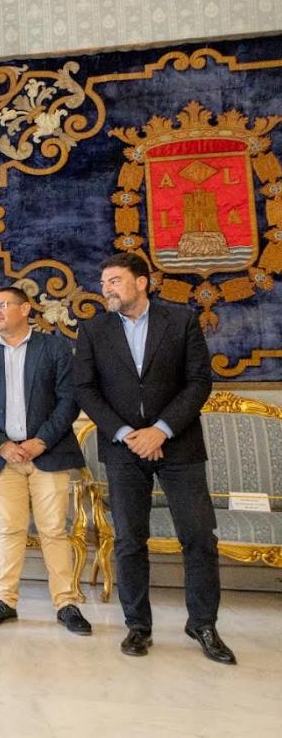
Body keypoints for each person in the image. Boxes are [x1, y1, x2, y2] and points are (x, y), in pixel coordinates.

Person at [74, 252, 234, 664]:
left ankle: (202, 624)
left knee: (198, 538)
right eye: (104, 281)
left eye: (114, 280)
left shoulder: (180, 321)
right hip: (124, 449)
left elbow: (199, 382)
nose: (106, 288)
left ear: (142, 282)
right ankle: (137, 626)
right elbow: (86, 390)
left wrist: (160, 430)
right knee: (130, 540)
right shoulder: (93, 330)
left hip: (178, 445)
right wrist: (129, 435)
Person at [0, 287, 91, 635]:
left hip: (47, 453)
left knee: (53, 530)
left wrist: (41, 441)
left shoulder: (55, 348)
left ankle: (66, 603)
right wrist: (2, 445)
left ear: (25, 309)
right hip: (1, 457)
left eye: (4, 305)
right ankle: (5, 600)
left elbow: (69, 400)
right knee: (10, 529)